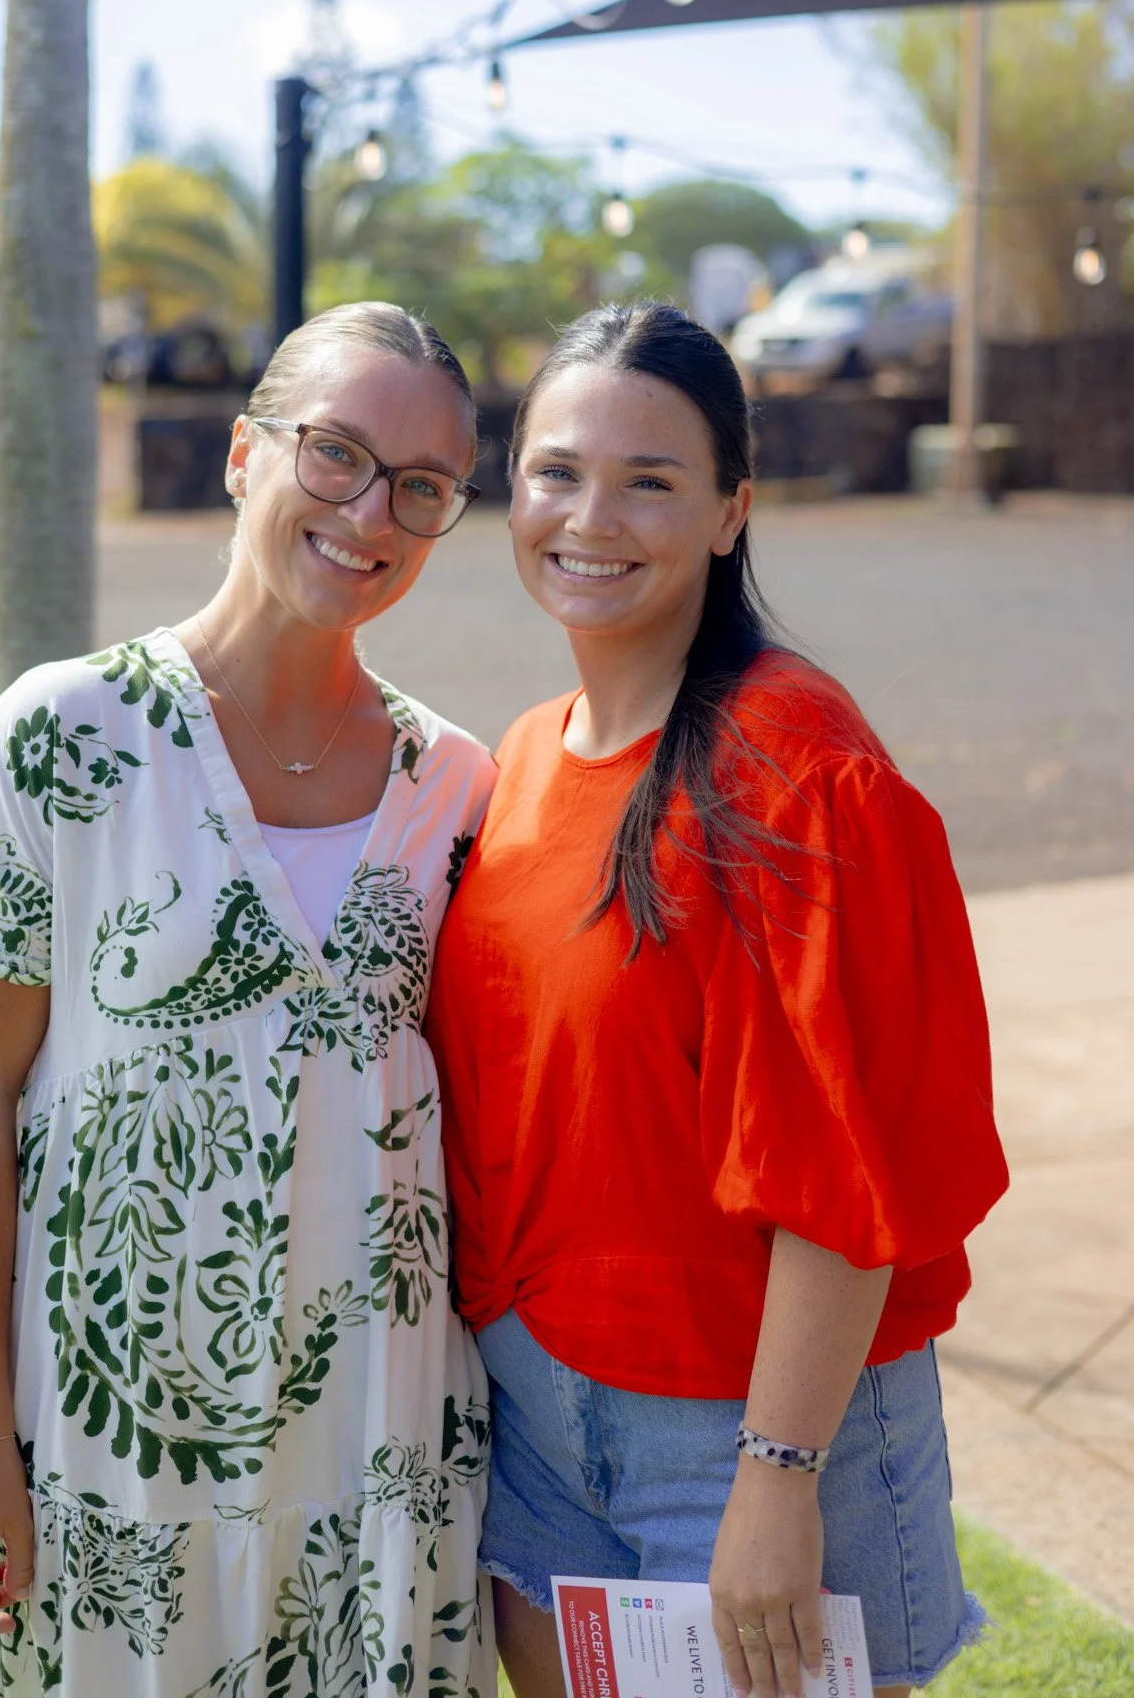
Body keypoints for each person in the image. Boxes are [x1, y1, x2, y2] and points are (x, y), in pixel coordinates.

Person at [426, 301, 1009, 1698]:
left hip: (748, 1430)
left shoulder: (798, 771)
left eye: (652, 480)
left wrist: (778, 1476)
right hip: (540, 1414)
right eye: (558, 470)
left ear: (732, 510)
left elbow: (847, 1165)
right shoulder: (520, 755)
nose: (591, 515)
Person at [0, 303, 498, 1698]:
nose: (371, 513)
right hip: (110, 1461)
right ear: (245, 456)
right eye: (337, 453)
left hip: (382, 1448)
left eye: (421, 488)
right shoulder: (59, 740)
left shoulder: (459, 785)